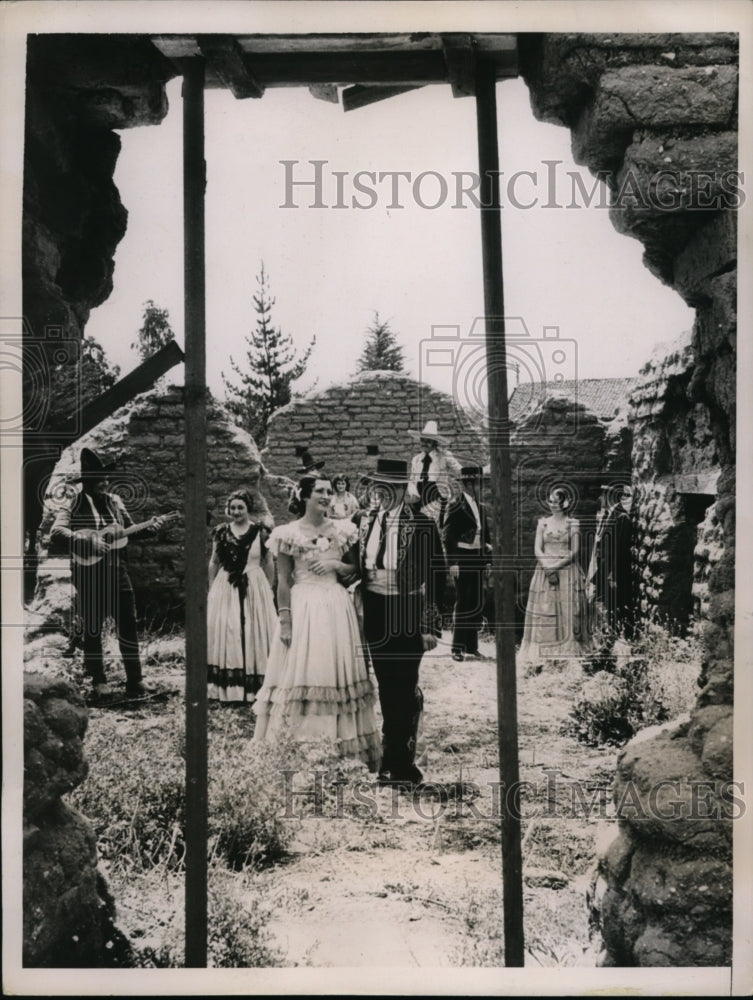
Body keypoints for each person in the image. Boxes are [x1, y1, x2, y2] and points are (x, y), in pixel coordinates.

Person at [253, 475, 381, 769]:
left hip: (336, 605)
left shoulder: (343, 529)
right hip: (303, 605)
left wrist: (336, 564)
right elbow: (283, 579)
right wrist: (284, 619)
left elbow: (355, 568)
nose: (326, 496)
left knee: (333, 670)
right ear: (305, 496)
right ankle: (299, 746)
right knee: (304, 669)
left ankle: (340, 747)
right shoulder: (288, 533)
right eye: (319, 492)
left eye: (327, 491)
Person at [354, 458, 447, 788]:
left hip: (408, 609)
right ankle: (389, 759)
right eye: (378, 487)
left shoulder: (421, 524)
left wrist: (429, 624)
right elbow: (356, 568)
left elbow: (436, 574)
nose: (383, 493)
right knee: (384, 684)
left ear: (401, 488)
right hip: (376, 609)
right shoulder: (364, 521)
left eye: (390, 487)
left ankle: (402, 764)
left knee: (405, 686)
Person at [50, 447, 169, 698]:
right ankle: (98, 680)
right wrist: (87, 542)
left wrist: (151, 528)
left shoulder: (115, 501)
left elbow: (129, 530)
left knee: (128, 624)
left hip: (117, 571)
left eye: (106, 479)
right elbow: (57, 533)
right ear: (88, 482)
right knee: (93, 627)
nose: (104, 483)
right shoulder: (74, 503)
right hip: (89, 575)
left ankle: (135, 680)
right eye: (98, 480)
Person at [207, 489, 277, 703]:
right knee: (230, 630)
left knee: (255, 632)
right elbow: (214, 562)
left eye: (241, 508)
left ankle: (258, 687)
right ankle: (229, 690)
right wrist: (212, 591)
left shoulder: (261, 532)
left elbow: (268, 563)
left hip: (254, 585)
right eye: (233, 508)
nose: (236, 511)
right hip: (226, 586)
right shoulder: (221, 532)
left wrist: (268, 589)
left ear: (248, 509)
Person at [518, 486, 591, 669]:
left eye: (557, 502)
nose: (553, 505)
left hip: (567, 571)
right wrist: (547, 567)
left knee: (568, 610)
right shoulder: (542, 523)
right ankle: (544, 653)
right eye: (551, 501)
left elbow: (574, 551)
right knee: (546, 611)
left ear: (565, 503)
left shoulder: (573, 523)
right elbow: (537, 549)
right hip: (545, 570)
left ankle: (565, 652)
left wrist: (556, 567)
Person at [443, 465, 492, 661]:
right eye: (478, 484)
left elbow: (486, 536)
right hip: (462, 558)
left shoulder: (480, 507)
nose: (481, 487)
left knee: (475, 602)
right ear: (469, 485)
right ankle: (456, 648)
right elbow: (447, 536)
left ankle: (471, 646)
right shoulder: (455, 504)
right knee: (463, 601)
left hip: (477, 559)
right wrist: (453, 562)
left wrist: (488, 562)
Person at [587, 484, 635, 636]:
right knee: (605, 611)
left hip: (614, 575)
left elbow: (618, 553)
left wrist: (608, 576)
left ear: (610, 497)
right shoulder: (608, 516)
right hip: (604, 571)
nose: (599, 498)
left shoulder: (622, 518)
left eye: (602, 495)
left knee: (615, 610)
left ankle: (616, 642)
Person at [406, 420, 462, 522]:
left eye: (428, 441)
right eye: (423, 440)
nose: (424, 444)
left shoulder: (443, 456)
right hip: (418, 497)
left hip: (436, 496)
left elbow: (459, 470)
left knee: (433, 525)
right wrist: (413, 493)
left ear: (434, 443)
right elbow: (412, 479)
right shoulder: (416, 459)